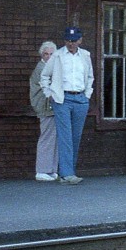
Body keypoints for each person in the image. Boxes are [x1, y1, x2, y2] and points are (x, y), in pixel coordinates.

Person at [37, 25, 92, 184]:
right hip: (63, 99)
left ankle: (67, 171)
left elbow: (90, 77)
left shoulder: (85, 56)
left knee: (75, 136)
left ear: (80, 40)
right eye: (68, 40)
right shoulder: (58, 56)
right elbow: (44, 76)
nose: (71, 43)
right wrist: (50, 94)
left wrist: (87, 94)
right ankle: (67, 173)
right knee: (65, 136)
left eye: (74, 40)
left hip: (80, 98)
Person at [29, 41, 59, 182]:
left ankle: (51, 169)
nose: (48, 56)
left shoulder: (48, 67)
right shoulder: (42, 68)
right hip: (46, 106)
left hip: (50, 106)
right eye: (46, 54)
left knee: (53, 138)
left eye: (51, 54)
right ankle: (42, 170)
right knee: (47, 138)